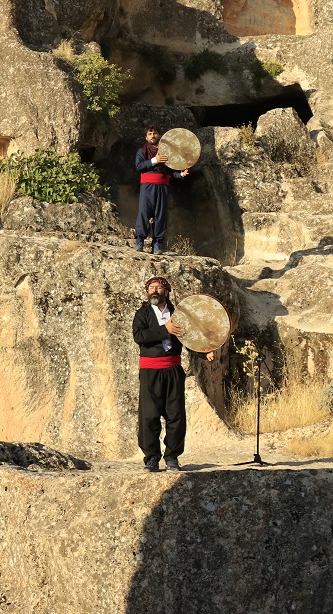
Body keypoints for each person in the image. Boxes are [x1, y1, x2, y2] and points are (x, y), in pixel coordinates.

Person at [132, 276, 212, 472]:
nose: (154, 291)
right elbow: (139, 336)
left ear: (167, 291)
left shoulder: (179, 314)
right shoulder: (142, 314)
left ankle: (172, 457)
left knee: (175, 415)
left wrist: (204, 352)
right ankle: (151, 458)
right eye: (151, 287)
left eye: (159, 287)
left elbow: (189, 339)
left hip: (173, 370)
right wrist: (164, 330)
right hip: (150, 371)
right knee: (149, 416)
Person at [135, 125, 189, 254]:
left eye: (155, 133)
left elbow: (171, 171)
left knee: (160, 215)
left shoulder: (167, 152)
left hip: (162, 187)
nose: (153, 136)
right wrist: (155, 160)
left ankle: (157, 244)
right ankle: (140, 240)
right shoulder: (142, 151)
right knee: (144, 212)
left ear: (159, 135)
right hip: (147, 186)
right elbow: (139, 166)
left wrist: (181, 174)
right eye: (150, 134)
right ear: (146, 137)